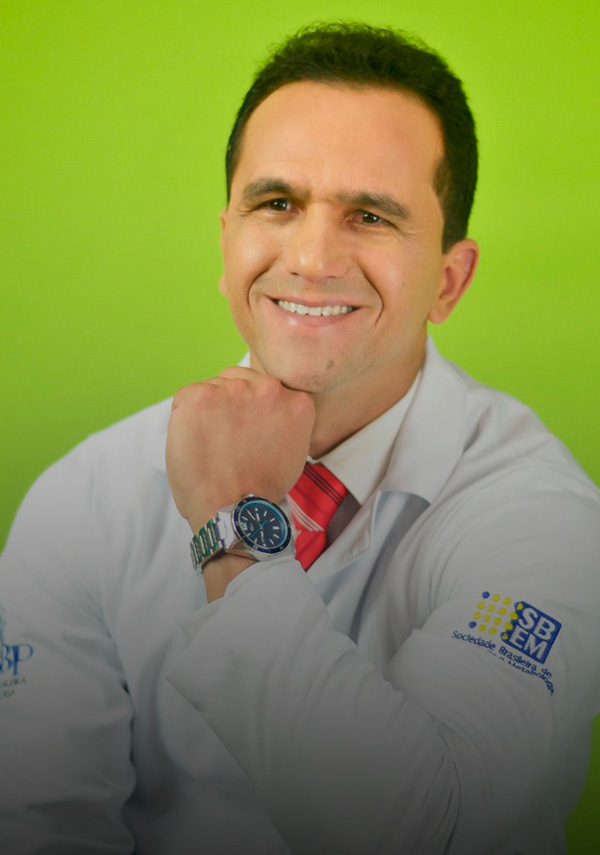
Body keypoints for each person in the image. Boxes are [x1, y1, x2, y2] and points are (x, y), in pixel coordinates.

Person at [1, 21, 599, 855]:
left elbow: (434, 829)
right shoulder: (83, 499)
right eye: (277, 204)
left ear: (449, 280)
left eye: (371, 215)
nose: (313, 258)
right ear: (227, 243)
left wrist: (234, 526)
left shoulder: (546, 517)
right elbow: (38, 830)